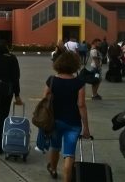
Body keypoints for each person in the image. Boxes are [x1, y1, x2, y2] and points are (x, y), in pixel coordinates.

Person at [43, 51, 90, 181]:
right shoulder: (79, 83)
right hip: (73, 123)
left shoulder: (51, 80)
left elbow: (45, 100)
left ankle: (53, 169)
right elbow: (81, 105)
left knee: (55, 147)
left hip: (55, 121)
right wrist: (86, 127)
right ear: (75, 65)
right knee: (69, 154)